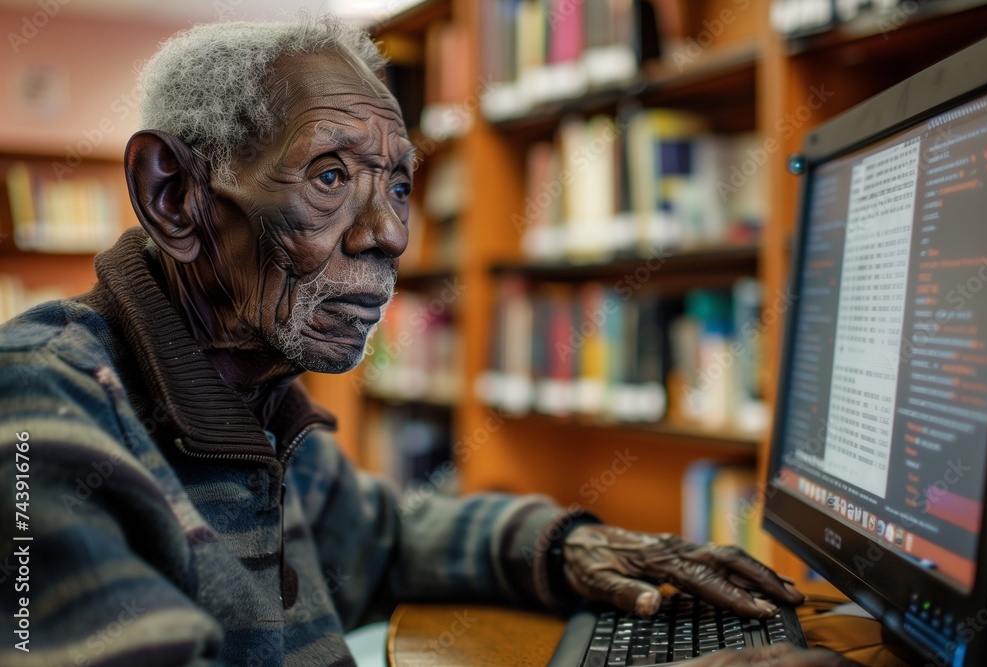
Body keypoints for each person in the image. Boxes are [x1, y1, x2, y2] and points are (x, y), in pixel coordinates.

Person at [0, 15, 854, 667]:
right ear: (175, 197)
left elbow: (387, 535)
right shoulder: (39, 413)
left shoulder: (246, 399)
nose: (391, 235)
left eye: (400, 184)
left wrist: (570, 545)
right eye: (331, 175)